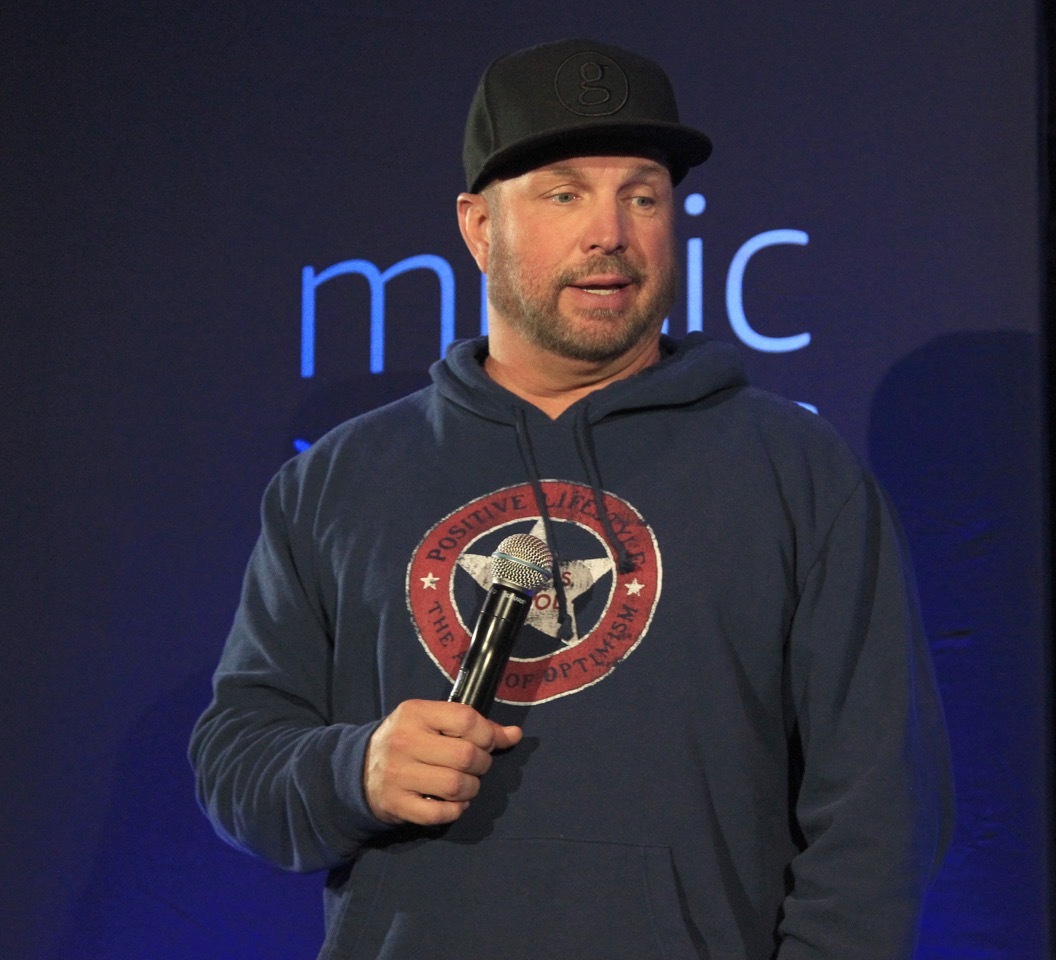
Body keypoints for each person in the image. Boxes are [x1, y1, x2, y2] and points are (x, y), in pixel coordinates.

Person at [189, 37, 954, 960]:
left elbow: (878, 808)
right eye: (564, 195)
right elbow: (238, 760)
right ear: (479, 227)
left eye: (644, 196)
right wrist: (355, 770)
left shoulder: (795, 468)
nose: (611, 233)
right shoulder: (336, 480)